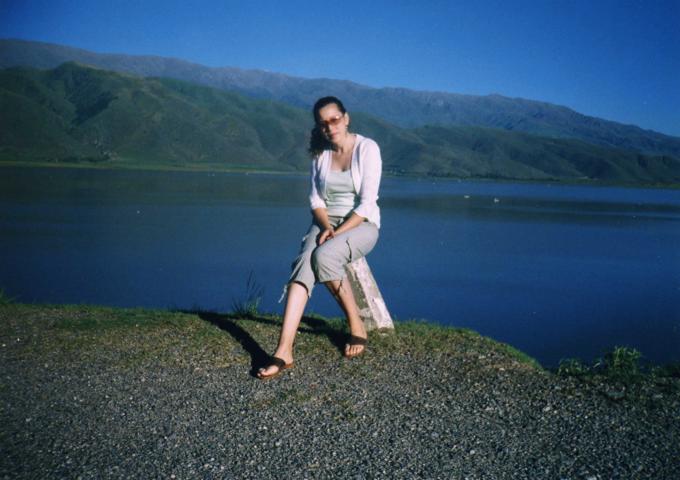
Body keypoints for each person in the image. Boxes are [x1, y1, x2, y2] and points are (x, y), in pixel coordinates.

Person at [257, 96, 382, 379]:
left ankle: (356, 325)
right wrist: (326, 226)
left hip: (361, 225)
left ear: (346, 118)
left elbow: (367, 204)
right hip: (326, 222)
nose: (330, 127)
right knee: (303, 264)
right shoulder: (320, 154)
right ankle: (283, 351)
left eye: (334, 119)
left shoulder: (367, 148)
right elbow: (316, 200)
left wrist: (338, 232)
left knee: (324, 255)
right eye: (323, 123)